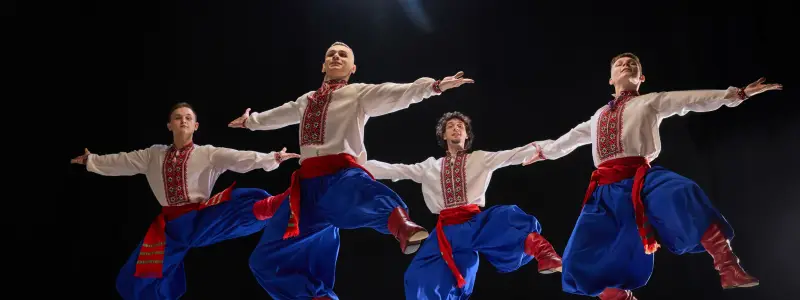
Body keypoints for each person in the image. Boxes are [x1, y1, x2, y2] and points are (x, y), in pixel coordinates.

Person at [522, 53, 782, 299]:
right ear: (611, 78)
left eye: (633, 65)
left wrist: (738, 94)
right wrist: (541, 152)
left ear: (641, 78)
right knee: (577, 260)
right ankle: (620, 296)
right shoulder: (598, 116)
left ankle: (728, 267)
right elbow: (566, 141)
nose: (627, 65)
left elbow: (690, 100)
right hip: (605, 190)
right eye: (620, 64)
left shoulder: (650, 101)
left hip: (641, 178)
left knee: (681, 192)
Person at [227, 41, 474, 300]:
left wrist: (433, 86)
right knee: (262, 261)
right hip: (304, 192)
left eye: (342, 55)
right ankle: (315, 297)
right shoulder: (305, 101)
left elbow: (395, 93)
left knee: (360, 189)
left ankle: (401, 225)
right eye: (330, 54)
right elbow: (277, 115)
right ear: (323, 65)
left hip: (339, 174)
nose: (335, 57)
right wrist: (251, 122)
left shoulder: (358, 93)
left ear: (352, 67)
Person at [70, 102, 300, 300]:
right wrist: (92, 161)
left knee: (237, 202)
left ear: (196, 126)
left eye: (188, 118)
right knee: (133, 276)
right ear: (169, 125)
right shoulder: (153, 155)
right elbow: (121, 162)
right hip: (170, 229)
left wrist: (273, 158)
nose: (183, 121)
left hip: (200, 217)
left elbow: (239, 158)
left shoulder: (207, 153)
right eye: (178, 118)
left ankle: (281, 203)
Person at [363, 111, 563, 300]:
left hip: (474, 225)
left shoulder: (480, 158)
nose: (456, 128)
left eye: (460, 126)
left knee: (506, 217)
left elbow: (512, 154)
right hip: (444, 234)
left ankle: (544, 253)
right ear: (444, 135)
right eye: (450, 126)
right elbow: (395, 170)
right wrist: (356, 165)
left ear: (467, 135)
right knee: (416, 276)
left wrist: (549, 148)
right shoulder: (430, 166)